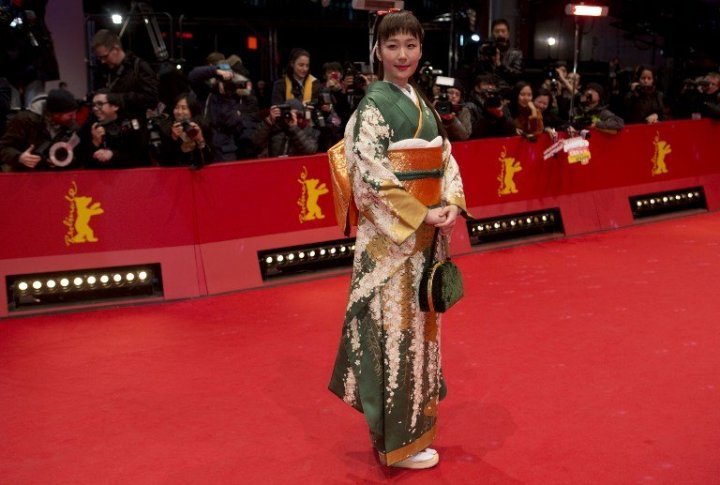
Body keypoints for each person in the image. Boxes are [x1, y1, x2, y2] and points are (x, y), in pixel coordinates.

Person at [328, 9, 468, 470]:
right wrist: (421, 211)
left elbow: (445, 157)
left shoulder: (421, 102)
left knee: (421, 336)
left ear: (421, 50)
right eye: (392, 46)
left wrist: (450, 202)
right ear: (378, 51)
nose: (402, 54)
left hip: (425, 239)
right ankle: (395, 441)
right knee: (393, 337)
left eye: (410, 45)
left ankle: (415, 431)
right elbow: (368, 176)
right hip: (393, 245)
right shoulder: (372, 108)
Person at [0, 89, 83, 171]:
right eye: (70, 115)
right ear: (56, 114)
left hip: (53, 175)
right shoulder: (25, 120)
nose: (74, 117)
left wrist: (63, 160)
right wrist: (19, 157)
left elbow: (78, 156)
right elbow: (3, 148)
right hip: (23, 173)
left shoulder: (71, 127)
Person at [90, 29, 159, 121]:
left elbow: (151, 99)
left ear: (116, 48)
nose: (102, 61)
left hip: (135, 129)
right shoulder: (103, 70)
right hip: (109, 127)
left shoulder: (139, 67)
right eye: (100, 58)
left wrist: (114, 98)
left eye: (105, 56)